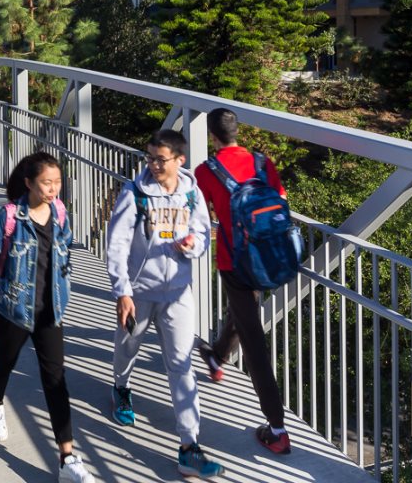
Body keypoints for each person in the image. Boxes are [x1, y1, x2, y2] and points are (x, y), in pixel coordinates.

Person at [104, 129, 223, 478]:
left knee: (181, 365)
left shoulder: (191, 194)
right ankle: (121, 388)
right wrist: (122, 291)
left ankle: (190, 446)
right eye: (149, 157)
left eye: (161, 159)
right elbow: (117, 244)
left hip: (178, 294)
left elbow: (203, 233)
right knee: (128, 346)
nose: (154, 165)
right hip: (139, 291)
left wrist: (194, 246)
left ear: (179, 160)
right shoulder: (134, 193)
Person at [0, 152, 93, 483]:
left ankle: (67, 457)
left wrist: (64, 284)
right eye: (46, 183)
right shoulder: (9, 216)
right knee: (3, 362)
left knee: (56, 381)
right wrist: (4, 295)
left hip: (50, 311)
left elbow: (66, 248)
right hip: (14, 310)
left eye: (57, 182)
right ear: (29, 183)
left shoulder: (59, 212)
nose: (53, 189)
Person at [194, 108, 292, 455]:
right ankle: (217, 359)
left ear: (212, 136)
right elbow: (280, 201)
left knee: (253, 341)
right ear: (237, 131)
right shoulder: (263, 163)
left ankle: (277, 429)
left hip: (234, 261)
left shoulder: (206, 171)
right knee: (243, 310)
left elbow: (199, 218)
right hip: (270, 256)